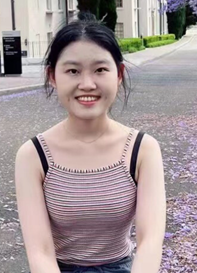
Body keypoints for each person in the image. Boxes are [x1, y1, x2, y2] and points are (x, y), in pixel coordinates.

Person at [15, 20, 166, 273]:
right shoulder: (33, 155)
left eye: (99, 70)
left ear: (119, 74)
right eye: (73, 71)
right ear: (52, 76)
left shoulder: (143, 150)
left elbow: (150, 240)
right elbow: (40, 251)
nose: (87, 84)